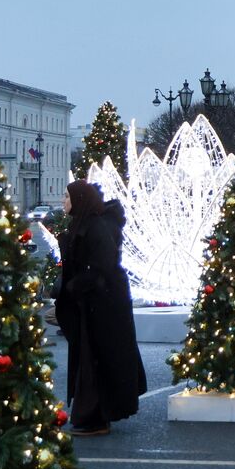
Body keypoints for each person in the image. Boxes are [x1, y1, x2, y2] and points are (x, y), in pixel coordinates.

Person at [55, 180, 146, 436]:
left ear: (80, 199)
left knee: (97, 359)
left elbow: (101, 267)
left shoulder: (95, 227)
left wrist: (74, 287)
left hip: (102, 306)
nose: (63, 201)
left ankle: (95, 417)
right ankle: (93, 415)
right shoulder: (88, 224)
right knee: (92, 359)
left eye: (67, 196)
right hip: (95, 303)